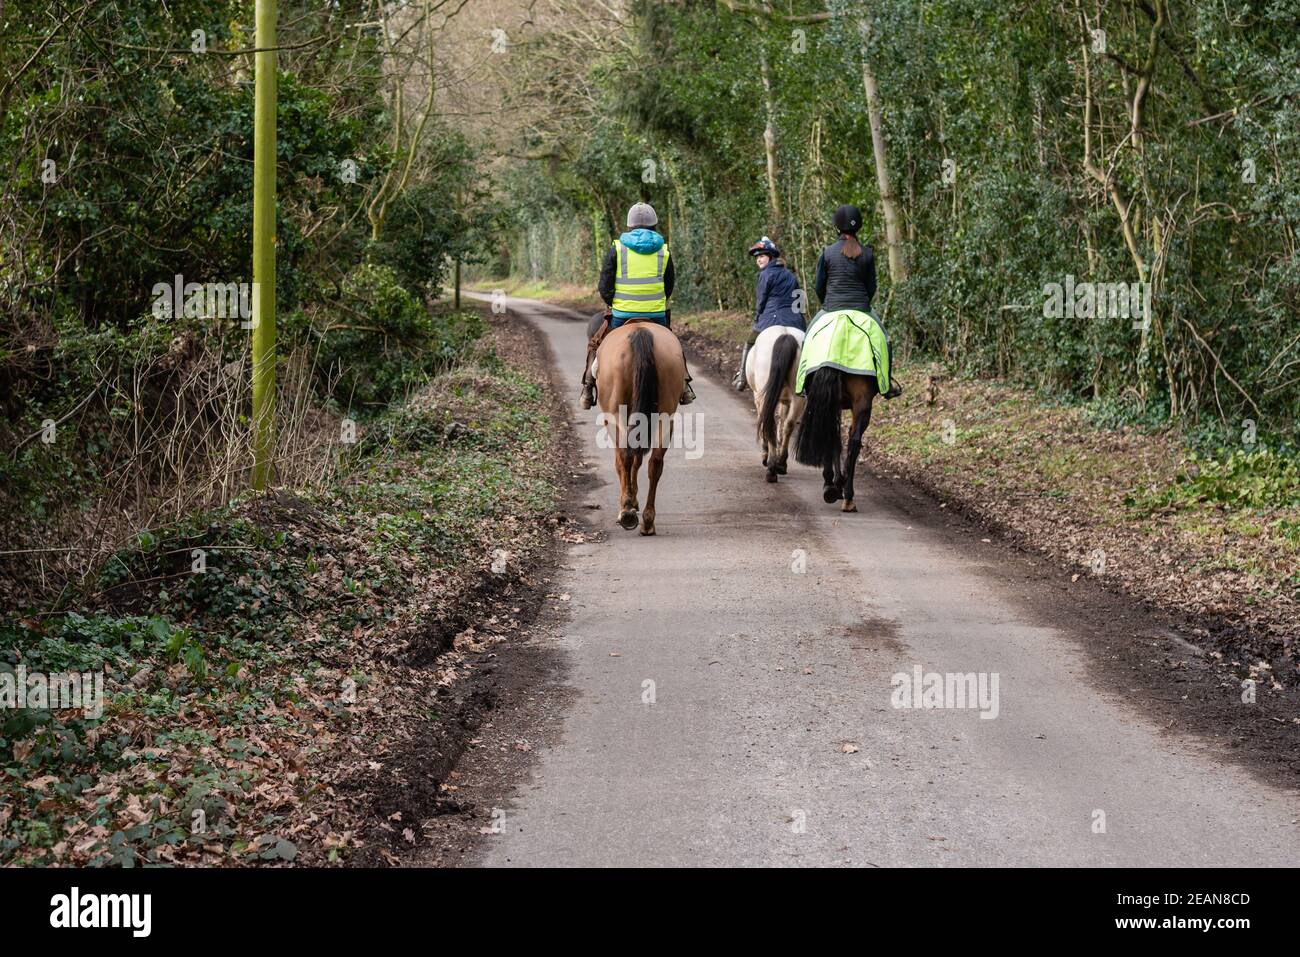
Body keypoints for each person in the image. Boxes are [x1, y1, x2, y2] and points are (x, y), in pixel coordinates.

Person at [580, 202, 695, 409]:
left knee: (596, 343)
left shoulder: (617, 248)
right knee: (673, 346)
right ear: (654, 225)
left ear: (629, 226)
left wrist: (612, 302)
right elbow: (669, 286)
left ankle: (588, 387)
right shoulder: (664, 251)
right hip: (656, 315)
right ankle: (685, 384)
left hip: (623, 314)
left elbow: (604, 285)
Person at [811, 204, 902, 398]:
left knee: (808, 335)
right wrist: (863, 305)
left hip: (831, 307)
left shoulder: (827, 252)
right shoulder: (867, 253)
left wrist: (827, 304)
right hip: (861, 309)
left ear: (836, 227)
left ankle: (802, 382)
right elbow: (872, 287)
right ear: (858, 226)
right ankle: (886, 384)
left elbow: (819, 286)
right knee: (885, 340)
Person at [732, 236, 806, 391]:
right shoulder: (791, 275)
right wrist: (800, 322)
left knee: (750, 342)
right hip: (794, 320)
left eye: (762, 256)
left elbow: (761, 301)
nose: (758, 260)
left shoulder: (765, 275)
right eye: (757, 257)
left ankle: (742, 378)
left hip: (771, 319)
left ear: (771, 257)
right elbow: (800, 299)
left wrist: (757, 318)